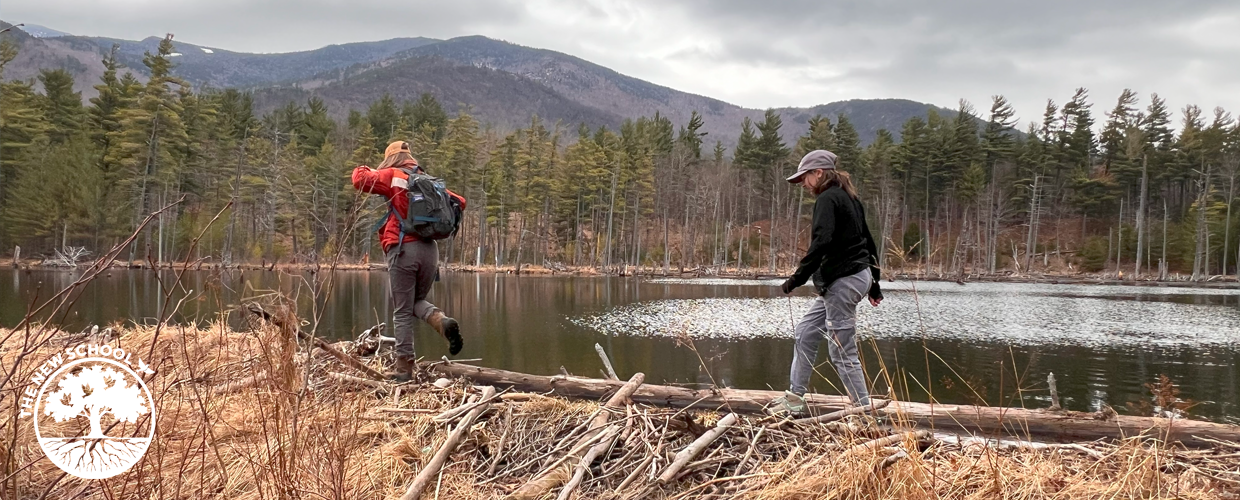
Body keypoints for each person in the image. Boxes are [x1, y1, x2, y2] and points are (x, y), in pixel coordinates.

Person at [770, 150, 883, 416]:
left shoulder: (828, 199)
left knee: (842, 351)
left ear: (818, 173)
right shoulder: (849, 198)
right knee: (806, 331)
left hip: (844, 281)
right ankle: (794, 400)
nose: (803, 185)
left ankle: (864, 415)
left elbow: (821, 243)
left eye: (805, 178)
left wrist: (796, 279)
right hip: (855, 277)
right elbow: (869, 241)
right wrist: (874, 283)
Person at [352, 141, 466, 381]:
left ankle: (404, 369)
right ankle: (440, 321)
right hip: (430, 251)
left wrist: (365, 163)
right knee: (416, 301)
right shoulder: (431, 182)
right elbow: (460, 202)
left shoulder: (393, 174)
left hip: (404, 248)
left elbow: (359, 179)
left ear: (391, 158)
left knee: (402, 311)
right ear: (410, 158)